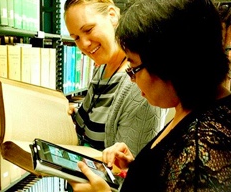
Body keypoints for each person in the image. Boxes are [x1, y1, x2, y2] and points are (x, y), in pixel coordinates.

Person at [68, 0, 231, 191]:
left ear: (168, 63)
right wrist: (137, 169)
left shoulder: (204, 148)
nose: (132, 80)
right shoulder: (190, 106)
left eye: (134, 68)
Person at [64, 0, 167, 157]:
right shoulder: (102, 68)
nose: (84, 44)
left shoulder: (139, 84)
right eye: (76, 37)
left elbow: (127, 173)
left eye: (88, 30)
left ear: (112, 16)